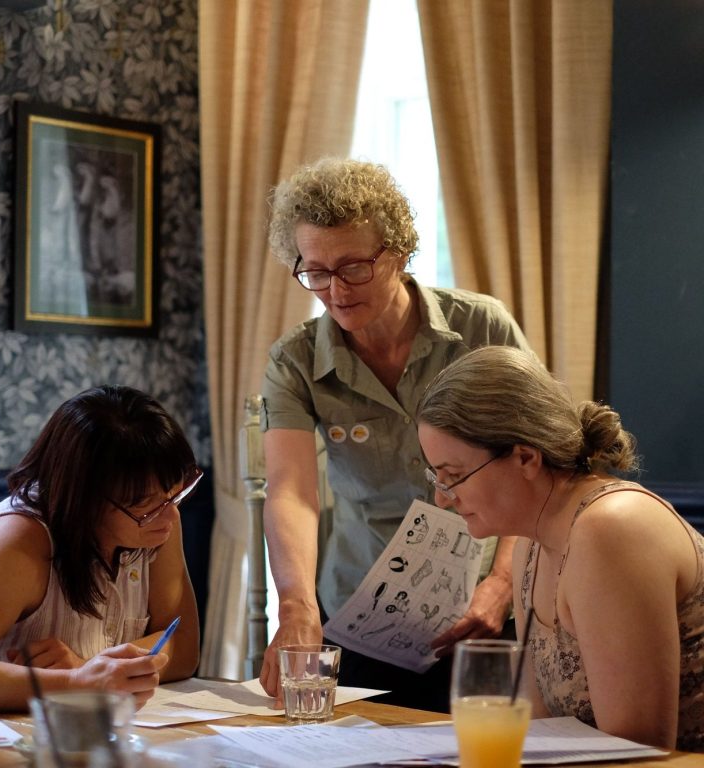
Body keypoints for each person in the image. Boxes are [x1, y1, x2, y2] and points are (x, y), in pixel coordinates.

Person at [258, 157, 532, 711]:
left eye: (355, 267)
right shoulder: (295, 360)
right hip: (361, 618)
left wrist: (503, 583)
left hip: (482, 614)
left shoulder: (481, 328)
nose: (335, 290)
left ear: (400, 253)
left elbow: (540, 463)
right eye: (315, 271)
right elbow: (291, 492)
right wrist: (296, 607)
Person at [416, 345, 704, 751]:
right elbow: (542, 734)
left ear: (525, 458)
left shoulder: (612, 530)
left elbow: (636, 751)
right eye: (437, 478)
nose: (443, 499)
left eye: (455, 476)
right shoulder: (529, 548)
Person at [0, 385, 202, 712]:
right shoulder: (18, 542)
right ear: (84, 500)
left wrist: (89, 666)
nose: (171, 515)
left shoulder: (155, 525)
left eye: (174, 494)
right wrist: (76, 682)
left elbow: (184, 648)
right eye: (145, 505)